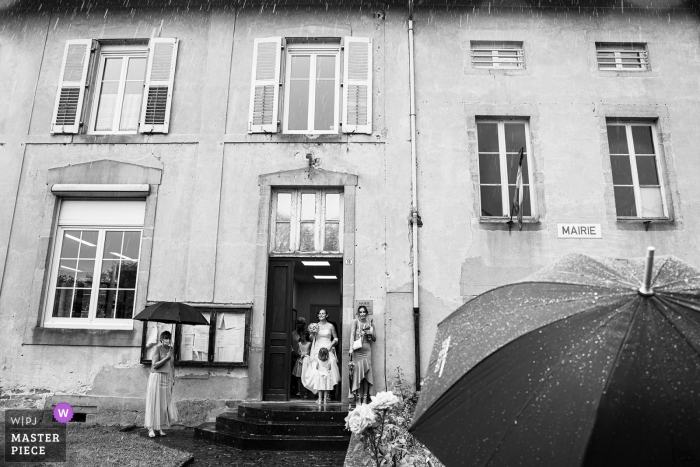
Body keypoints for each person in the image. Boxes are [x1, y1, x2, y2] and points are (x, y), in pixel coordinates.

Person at [144, 331, 178, 438]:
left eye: (169, 338)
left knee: (163, 404)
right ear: (161, 340)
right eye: (165, 338)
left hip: (166, 378)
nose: (167, 340)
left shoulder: (171, 350)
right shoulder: (157, 349)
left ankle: (159, 427)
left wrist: (173, 377)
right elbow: (154, 365)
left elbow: (172, 365)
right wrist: (166, 358)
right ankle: (151, 427)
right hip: (157, 377)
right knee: (154, 402)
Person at [349, 306, 376, 405]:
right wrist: (351, 348)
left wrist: (370, 333)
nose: (362, 314)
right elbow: (352, 335)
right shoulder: (355, 322)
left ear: (367, 313)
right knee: (357, 375)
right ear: (358, 313)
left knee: (366, 375)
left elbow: (374, 339)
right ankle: (358, 398)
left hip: (367, 351)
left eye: (364, 312)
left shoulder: (370, 323)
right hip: (357, 351)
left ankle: (365, 397)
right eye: (360, 312)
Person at [309, 309, 340, 395]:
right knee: (317, 370)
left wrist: (331, 345)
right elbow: (311, 339)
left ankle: (328, 394)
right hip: (318, 349)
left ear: (327, 315)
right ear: (318, 315)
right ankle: (319, 394)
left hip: (328, 348)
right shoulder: (315, 325)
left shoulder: (331, 326)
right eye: (320, 313)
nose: (321, 315)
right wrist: (312, 334)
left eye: (323, 313)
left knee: (329, 370)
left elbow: (336, 338)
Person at [293, 332, 312, 398]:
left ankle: (306, 391)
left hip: (306, 360)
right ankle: (299, 391)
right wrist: (301, 355)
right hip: (300, 360)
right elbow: (297, 351)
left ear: (306, 336)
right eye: (301, 336)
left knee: (306, 375)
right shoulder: (299, 344)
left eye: (303, 336)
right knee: (299, 376)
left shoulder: (309, 344)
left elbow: (310, 352)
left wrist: (306, 355)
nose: (302, 337)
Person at [290, 317, 306, 396]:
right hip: (294, 356)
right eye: (298, 323)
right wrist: (293, 351)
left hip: (304, 357)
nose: (299, 325)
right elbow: (289, 343)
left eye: (301, 324)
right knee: (295, 374)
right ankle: (295, 389)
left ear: (304, 325)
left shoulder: (306, 333)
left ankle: (304, 391)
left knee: (304, 373)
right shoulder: (293, 333)